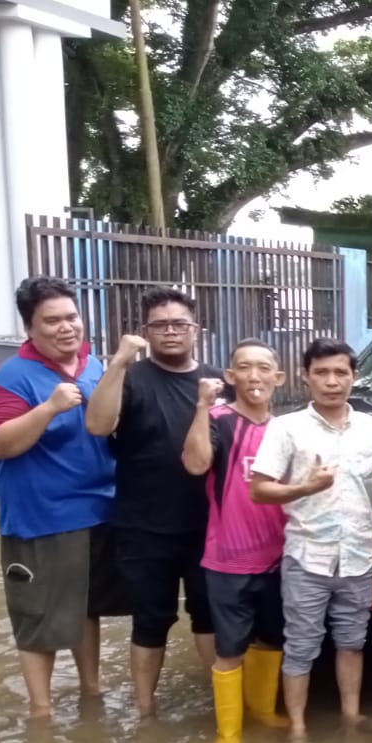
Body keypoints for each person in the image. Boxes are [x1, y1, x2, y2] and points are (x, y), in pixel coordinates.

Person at [0, 277, 128, 716]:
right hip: (42, 517)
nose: (66, 328)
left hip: (99, 509)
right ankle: (41, 713)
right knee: (37, 617)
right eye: (52, 321)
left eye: (72, 317)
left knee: (86, 607)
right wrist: (47, 409)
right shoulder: (9, 378)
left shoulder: (93, 365)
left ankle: (91, 691)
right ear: (29, 328)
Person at [85, 287, 221, 714]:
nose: (171, 332)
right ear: (146, 331)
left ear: (196, 330)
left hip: (209, 526)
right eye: (160, 325)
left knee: (211, 616)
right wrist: (120, 362)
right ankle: (145, 714)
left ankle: (223, 705)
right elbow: (97, 424)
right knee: (149, 621)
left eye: (179, 324)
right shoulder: (130, 377)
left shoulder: (217, 382)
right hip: (143, 526)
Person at [249, 339, 372, 743]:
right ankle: (297, 727)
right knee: (301, 646)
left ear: (354, 377)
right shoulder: (286, 428)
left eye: (341, 373)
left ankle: (351, 716)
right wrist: (305, 487)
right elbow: (259, 490)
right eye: (322, 373)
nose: (332, 382)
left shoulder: (371, 429)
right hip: (307, 556)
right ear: (305, 376)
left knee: (353, 641)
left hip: (357, 557)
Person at [182, 339, 290, 743]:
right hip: (228, 559)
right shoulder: (218, 420)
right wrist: (201, 407)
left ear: (278, 378)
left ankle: (262, 710)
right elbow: (194, 464)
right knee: (229, 649)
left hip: (280, 558)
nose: (254, 376)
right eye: (244, 367)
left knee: (271, 640)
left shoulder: (287, 428)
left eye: (264, 368)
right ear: (230, 377)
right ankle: (228, 734)